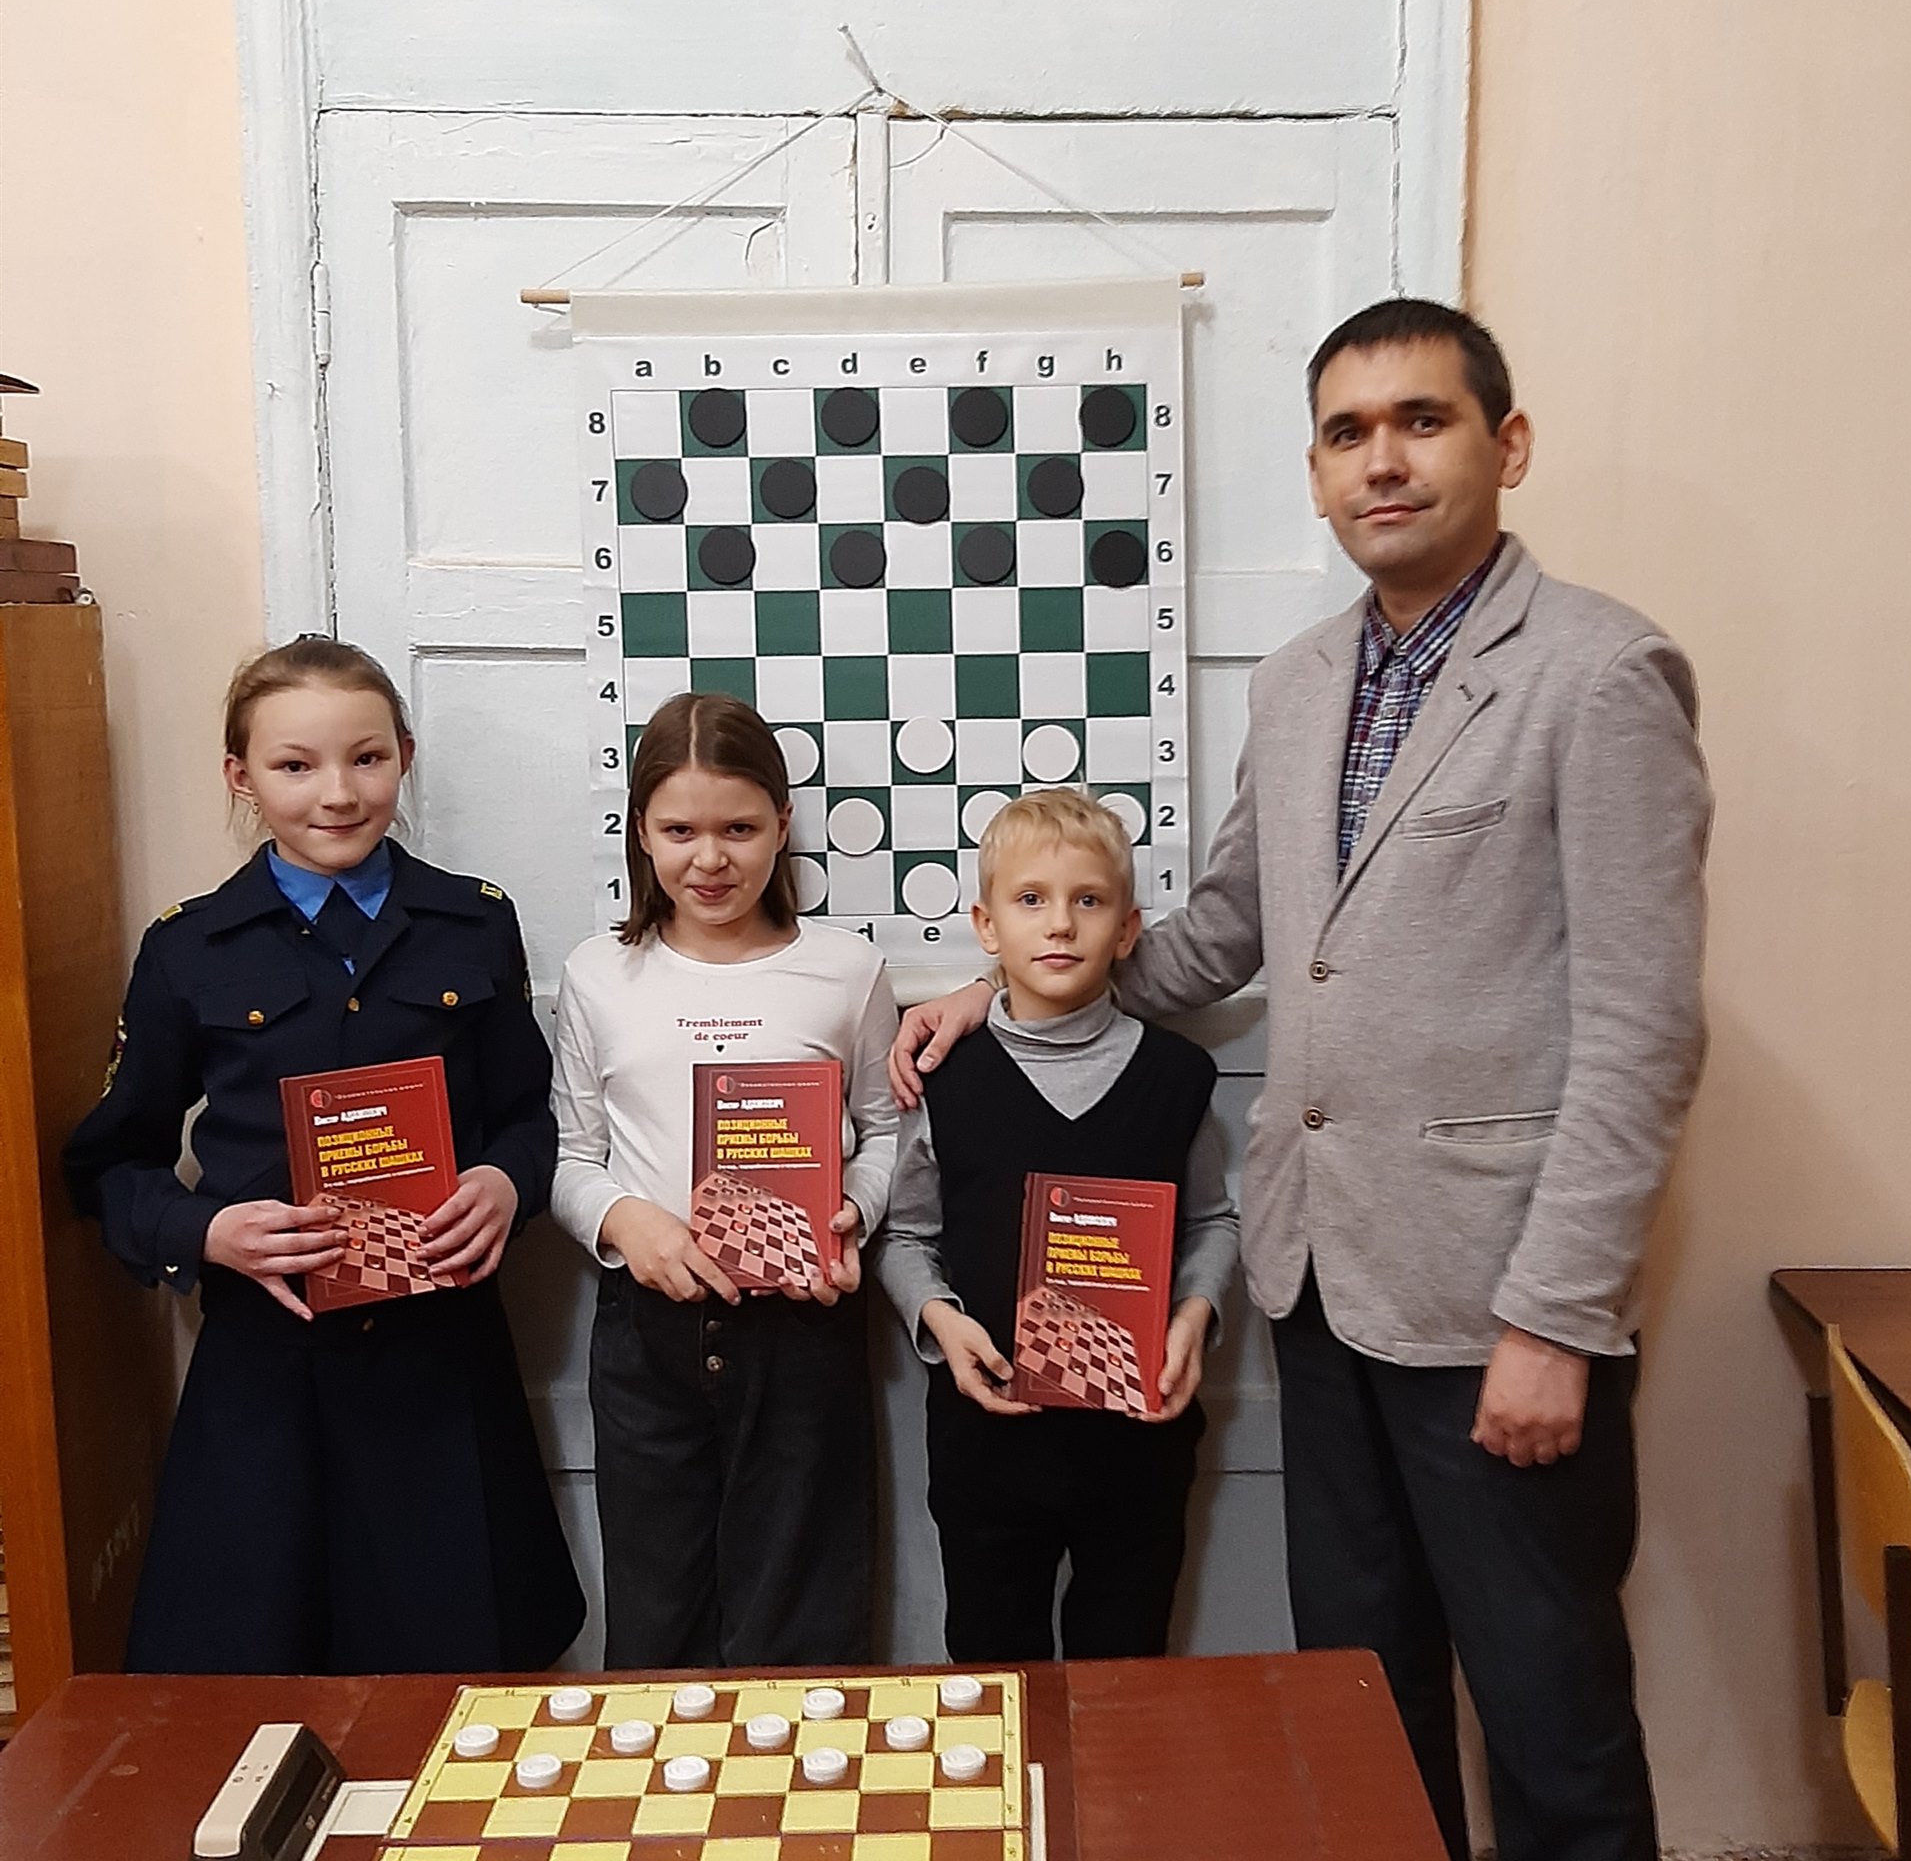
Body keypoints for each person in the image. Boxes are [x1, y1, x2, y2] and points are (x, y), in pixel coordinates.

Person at [891, 299, 1710, 1861]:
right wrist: (1001, 995)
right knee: (1367, 1706)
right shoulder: (1298, 678)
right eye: (1348, 432)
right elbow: (1216, 941)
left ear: (1507, 443)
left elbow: (1642, 1028)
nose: (1383, 459)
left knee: (1555, 1732)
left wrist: (1558, 1314)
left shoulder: (1599, 673)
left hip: (1498, 1307)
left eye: (1423, 419)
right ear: (1321, 472)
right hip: (1320, 1286)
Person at [64, 635, 585, 1674]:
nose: (338, 793)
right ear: (241, 776)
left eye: (367, 758)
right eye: (295, 765)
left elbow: (532, 1120)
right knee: (257, 1675)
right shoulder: (190, 947)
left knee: (461, 1672)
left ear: (405, 756)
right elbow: (108, 1166)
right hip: (269, 1374)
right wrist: (206, 1230)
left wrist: (503, 1181)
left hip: (442, 1368)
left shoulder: (473, 924)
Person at [550, 692, 897, 1669]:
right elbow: (570, 1155)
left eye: (739, 829)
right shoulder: (598, 974)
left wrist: (854, 1210)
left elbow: (886, 1132)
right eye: (680, 831)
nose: (710, 859)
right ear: (641, 832)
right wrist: (627, 1223)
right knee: (657, 1618)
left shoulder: (846, 970)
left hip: (802, 1329)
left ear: (782, 825)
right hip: (646, 1335)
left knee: (804, 1621)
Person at [875, 788, 1236, 1665]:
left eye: (1089, 899)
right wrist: (939, 1320)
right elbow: (905, 1235)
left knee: (1127, 1678)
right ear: (986, 926)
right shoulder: (945, 1077)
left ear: (1129, 928)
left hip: (1138, 1446)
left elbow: (1213, 1220)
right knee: (995, 1675)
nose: (1061, 923)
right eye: (1031, 899)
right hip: (987, 1443)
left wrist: (1194, 1315)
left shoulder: (1177, 1076)